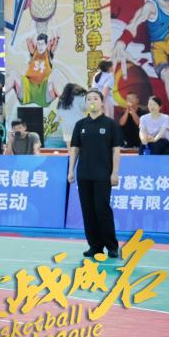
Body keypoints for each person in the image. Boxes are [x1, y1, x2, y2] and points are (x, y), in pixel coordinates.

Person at [112, 0, 169, 111]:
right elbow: (134, 23)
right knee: (167, 74)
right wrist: (122, 41)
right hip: (157, 47)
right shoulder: (150, 7)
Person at [68, 89, 122, 259]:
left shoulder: (110, 124)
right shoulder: (80, 125)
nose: (92, 101)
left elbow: (116, 150)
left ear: (102, 102)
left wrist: (114, 173)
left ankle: (112, 246)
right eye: (89, 99)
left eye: (95, 98)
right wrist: (71, 170)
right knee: (88, 210)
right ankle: (95, 246)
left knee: (102, 209)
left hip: (103, 174)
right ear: (86, 103)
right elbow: (75, 149)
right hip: (84, 174)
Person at [54, 83, 87, 148]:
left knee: (70, 150)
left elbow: (59, 116)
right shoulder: (79, 98)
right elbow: (87, 107)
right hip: (78, 126)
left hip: (66, 128)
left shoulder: (61, 101)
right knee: (80, 148)